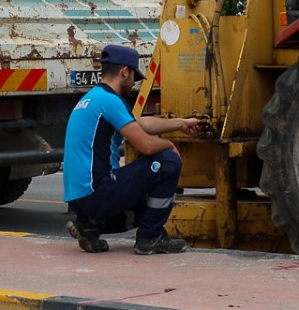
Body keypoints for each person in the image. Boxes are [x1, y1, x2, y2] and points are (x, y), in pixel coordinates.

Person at [63, 44, 203, 255]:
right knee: (167, 161)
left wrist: (181, 123)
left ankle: (89, 226)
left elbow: (139, 123)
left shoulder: (93, 98)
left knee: (150, 208)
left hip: (79, 199)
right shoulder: (110, 101)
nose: (133, 83)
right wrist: (170, 145)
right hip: (97, 192)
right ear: (124, 72)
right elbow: (146, 146)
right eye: (133, 78)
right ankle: (150, 238)